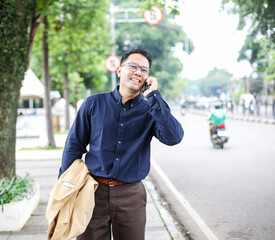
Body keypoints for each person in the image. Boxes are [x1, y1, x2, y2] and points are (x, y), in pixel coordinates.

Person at [60, 48, 184, 240]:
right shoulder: (94, 104)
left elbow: (173, 137)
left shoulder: (150, 109)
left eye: (144, 70)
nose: (138, 72)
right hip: (92, 192)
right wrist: (65, 187)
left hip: (131, 195)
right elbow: (74, 146)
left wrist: (154, 96)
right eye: (133, 66)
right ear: (119, 71)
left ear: (148, 78)